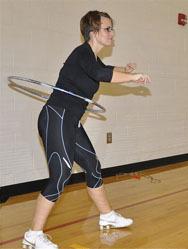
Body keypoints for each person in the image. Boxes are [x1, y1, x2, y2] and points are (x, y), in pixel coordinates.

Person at [22, 10, 151, 249]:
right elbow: (101, 74)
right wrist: (134, 78)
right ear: (93, 32)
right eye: (107, 29)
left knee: (92, 166)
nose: (112, 33)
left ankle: (106, 215)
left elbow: (102, 69)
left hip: (70, 120)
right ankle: (33, 233)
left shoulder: (92, 58)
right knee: (61, 175)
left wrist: (125, 69)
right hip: (56, 116)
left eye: (112, 28)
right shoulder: (81, 53)